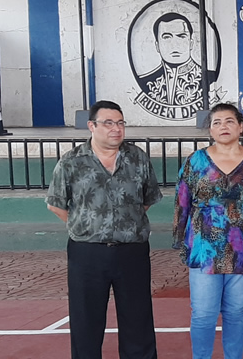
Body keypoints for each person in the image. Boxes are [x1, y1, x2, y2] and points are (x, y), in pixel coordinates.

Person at [45, 100, 162, 359]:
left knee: (138, 318)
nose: (116, 129)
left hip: (131, 251)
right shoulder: (71, 162)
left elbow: (147, 200)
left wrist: (123, 223)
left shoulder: (138, 158)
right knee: (86, 320)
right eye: (108, 123)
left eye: (120, 123)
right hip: (87, 253)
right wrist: (86, 224)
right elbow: (56, 204)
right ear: (92, 126)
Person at [173, 103, 243, 359]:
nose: (223, 126)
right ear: (210, 129)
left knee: (236, 312)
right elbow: (182, 201)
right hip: (204, 247)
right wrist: (181, 240)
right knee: (204, 313)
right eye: (216, 122)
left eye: (229, 121)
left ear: (240, 126)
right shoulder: (196, 161)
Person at [139, 12, 203, 108]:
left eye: (181, 36)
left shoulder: (209, 80)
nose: (175, 44)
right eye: (167, 37)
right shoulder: (147, 82)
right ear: (157, 45)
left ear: (191, 43)